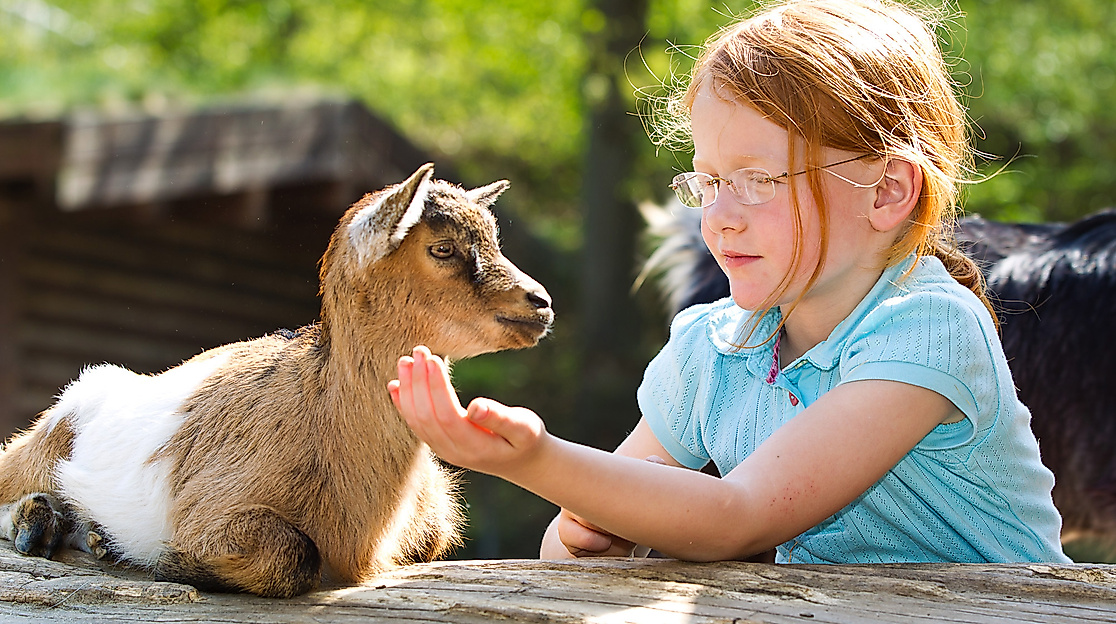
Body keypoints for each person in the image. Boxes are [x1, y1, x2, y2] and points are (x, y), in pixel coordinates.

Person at [389, 0, 1071, 564]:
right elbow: (563, 556)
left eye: (757, 180)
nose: (718, 218)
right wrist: (590, 529)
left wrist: (532, 459)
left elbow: (735, 517)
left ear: (888, 190)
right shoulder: (715, 351)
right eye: (709, 182)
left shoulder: (928, 329)